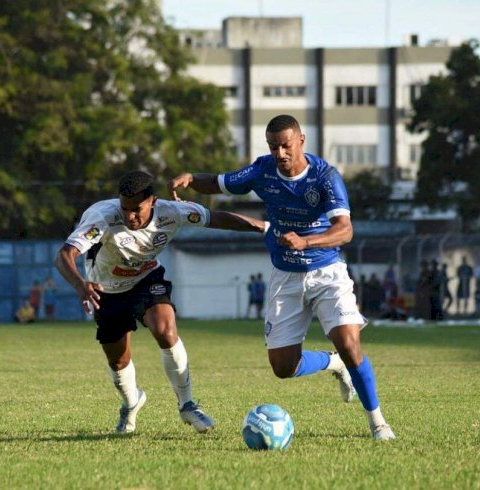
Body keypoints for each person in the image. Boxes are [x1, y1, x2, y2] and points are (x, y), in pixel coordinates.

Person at [168, 114, 394, 440]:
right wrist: (191, 179)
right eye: (273, 147)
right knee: (283, 368)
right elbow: (220, 182)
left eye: (285, 145)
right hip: (285, 276)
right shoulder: (262, 170)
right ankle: (335, 365)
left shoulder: (325, 177)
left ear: (301, 141)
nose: (280, 153)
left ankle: (378, 423)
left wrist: (306, 241)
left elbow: (344, 231)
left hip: (326, 272)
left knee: (349, 343)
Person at [54, 170, 267, 434]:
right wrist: (80, 284)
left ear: (153, 201)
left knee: (165, 329)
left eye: (137, 210)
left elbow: (217, 218)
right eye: (125, 208)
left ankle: (187, 404)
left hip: (146, 278)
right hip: (105, 290)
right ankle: (132, 402)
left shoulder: (172, 212)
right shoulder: (102, 217)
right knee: (118, 361)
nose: (129, 216)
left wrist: (265, 227)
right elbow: (64, 255)